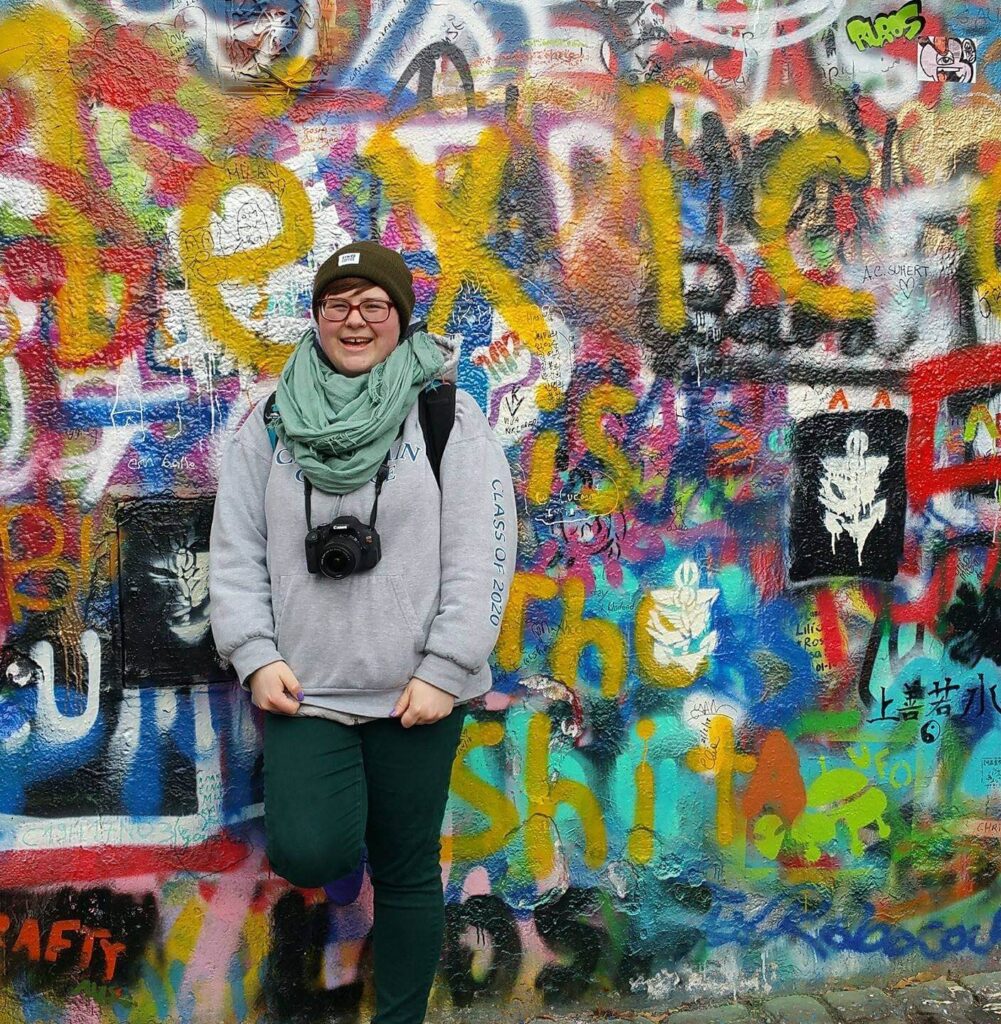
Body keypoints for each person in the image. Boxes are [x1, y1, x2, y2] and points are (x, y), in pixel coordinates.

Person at [209, 240, 517, 1024]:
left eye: (373, 304)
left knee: (409, 870)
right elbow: (235, 546)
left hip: (419, 691)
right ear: (314, 319)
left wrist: (447, 668)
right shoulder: (270, 420)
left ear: (399, 317)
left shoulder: (447, 414)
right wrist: (253, 653)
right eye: (337, 304)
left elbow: (484, 548)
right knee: (308, 850)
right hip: (306, 689)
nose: (355, 319)